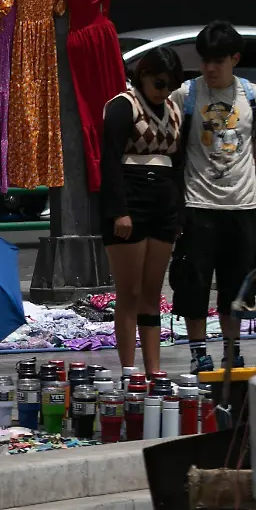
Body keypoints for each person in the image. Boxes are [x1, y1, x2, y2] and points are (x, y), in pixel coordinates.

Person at [169, 21, 256, 373]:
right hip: (198, 205)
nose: (210, 68)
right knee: (194, 284)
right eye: (205, 60)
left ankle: (232, 351)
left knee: (236, 288)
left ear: (235, 58)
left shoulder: (250, 96)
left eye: (218, 61)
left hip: (243, 205)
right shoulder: (186, 95)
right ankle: (198, 352)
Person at [99, 48, 184, 375]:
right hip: (131, 199)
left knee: (152, 292)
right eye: (159, 82)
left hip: (164, 202)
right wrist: (118, 211)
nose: (164, 90)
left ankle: (154, 370)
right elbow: (110, 161)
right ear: (144, 74)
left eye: (171, 84)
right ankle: (128, 370)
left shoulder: (174, 109)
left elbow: (178, 165)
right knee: (129, 293)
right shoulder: (123, 105)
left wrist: (178, 213)